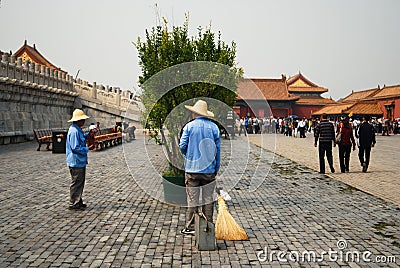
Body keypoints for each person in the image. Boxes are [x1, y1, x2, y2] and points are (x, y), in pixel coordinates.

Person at [179, 100, 221, 236]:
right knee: (208, 198)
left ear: (194, 113)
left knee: (192, 198)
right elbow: (218, 150)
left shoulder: (189, 127)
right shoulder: (214, 128)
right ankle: (208, 224)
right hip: (209, 169)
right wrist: (216, 166)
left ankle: (191, 226)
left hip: (192, 169)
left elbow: (182, 145)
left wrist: (189, 155)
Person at [66, 109, 90, 210]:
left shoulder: (77, 129)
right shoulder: (74, 131)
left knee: (80, 182)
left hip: (79, 161)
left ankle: (78, 200)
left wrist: (89, 134)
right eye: (82, 120)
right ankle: (73, 202)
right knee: (76, 182)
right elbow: (75, 147)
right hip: (76, 161)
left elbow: (82, 138)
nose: (84, 121)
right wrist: (87, 149)